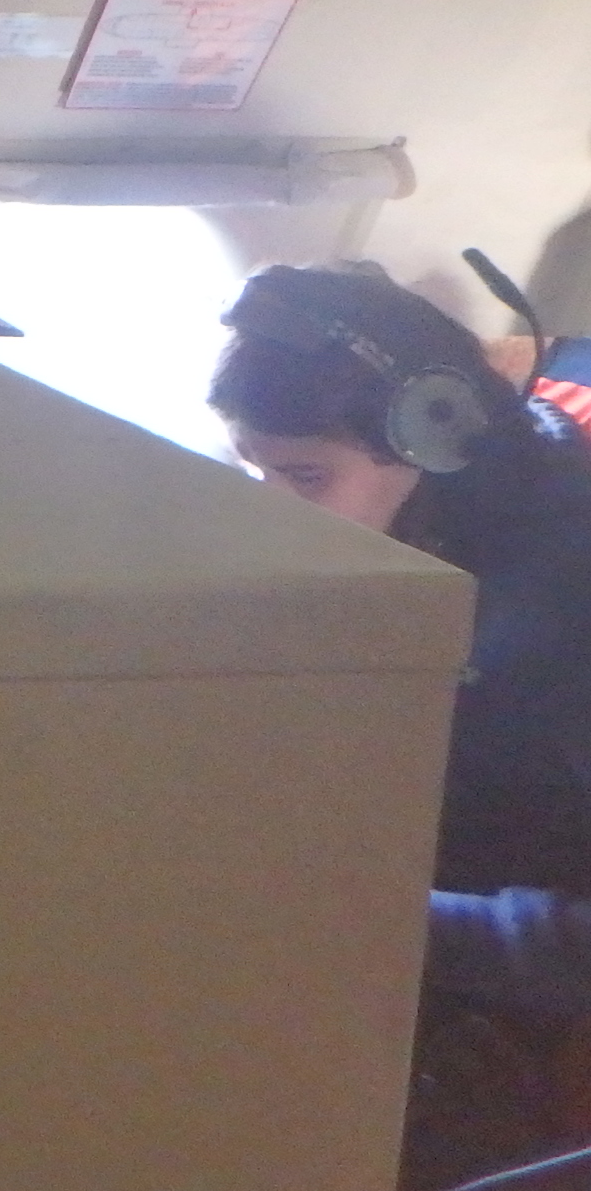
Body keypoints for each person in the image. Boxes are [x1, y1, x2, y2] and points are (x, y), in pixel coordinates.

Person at [212, 263, 591, 1187]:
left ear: (437, 435)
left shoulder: (560, 601)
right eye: (253, 469)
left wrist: (362, 914)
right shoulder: (415, 541)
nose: (270, 508)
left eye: (305, 475)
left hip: (519, 1016)